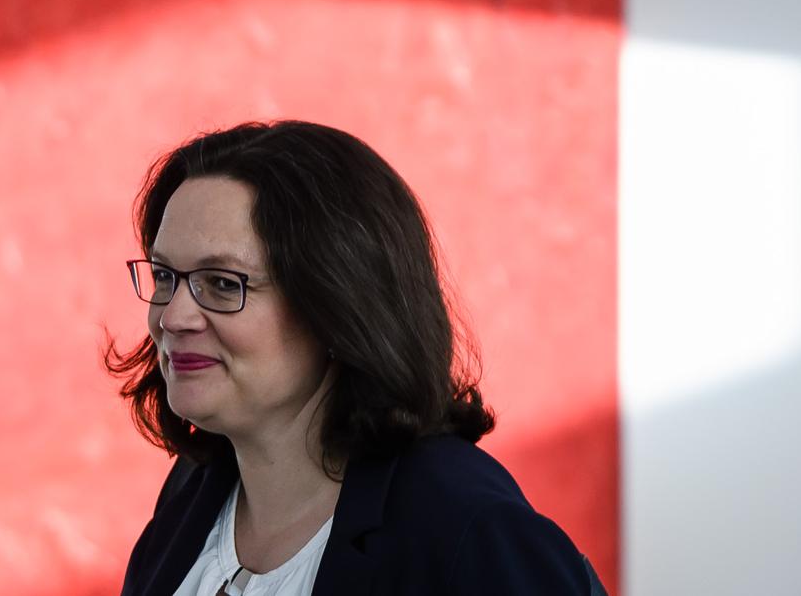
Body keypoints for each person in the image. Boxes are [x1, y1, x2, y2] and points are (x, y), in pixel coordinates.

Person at [106, 121, 607, 595]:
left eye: (221, 283)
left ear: (338, 305)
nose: (172, 317)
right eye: (164, 277)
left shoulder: (466, 528)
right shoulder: (193, 492)